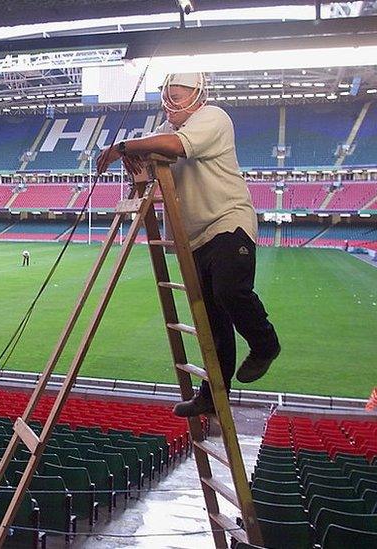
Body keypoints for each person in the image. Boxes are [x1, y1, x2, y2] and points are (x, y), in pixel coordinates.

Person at [95, 72, 280, 418]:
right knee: (211, 323)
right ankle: (213, 393)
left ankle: (265, 343)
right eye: (167, 95)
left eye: (178, 95)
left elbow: (176, 147)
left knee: (230, 292)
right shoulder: (167, 131)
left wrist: (123, 147)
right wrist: (138, 163)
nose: (170, 102)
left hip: (227, 221)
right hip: (194, 236)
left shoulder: (213, 117)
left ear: (198, 95)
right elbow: (158, 161)